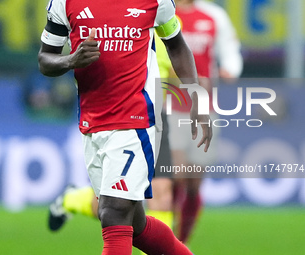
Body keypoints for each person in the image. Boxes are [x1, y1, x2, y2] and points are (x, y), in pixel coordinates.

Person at [38, 0, 212, 254]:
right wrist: (71, 60)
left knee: (114, 213)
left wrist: (197, 97)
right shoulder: (64, 2)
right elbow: (45, 60)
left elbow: (176, 45)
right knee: (134, 224)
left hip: (137, 118)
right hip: (93, 123)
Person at [152, 0, 243, 243]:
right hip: (170, 107)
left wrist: (230, 70)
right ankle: (168, 241)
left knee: (193, 184)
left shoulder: (213, 16)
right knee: (175, 177)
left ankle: (182, 240)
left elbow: (230, 50)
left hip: (204, 109)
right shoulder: (160, 10)